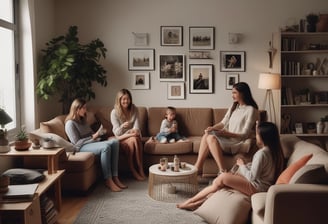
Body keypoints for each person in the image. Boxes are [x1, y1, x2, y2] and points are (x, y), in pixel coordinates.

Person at [177, 121, 285, 210]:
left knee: (221, 179)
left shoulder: (261, 154)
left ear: (263, 137)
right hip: (262, 186)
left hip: (257, 187)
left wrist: (242, 165)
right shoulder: (275, 151)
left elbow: (252, 177)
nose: (255, 136)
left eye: (257, 134)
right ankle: (197, 204)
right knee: (223, 183)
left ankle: (190, 201)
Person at [194, 82, 258, 175]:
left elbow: (244, 134)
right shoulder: (234, 107)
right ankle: (199, 167)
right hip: (228, 139)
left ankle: (222, 171)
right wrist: (212, 128)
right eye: (232, 93)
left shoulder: (251, 110)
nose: (232, 96)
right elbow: (223, 123)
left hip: (237, 141)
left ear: (243, 93)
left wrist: (225, 134)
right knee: (207, 134)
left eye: (235, 93)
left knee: (210, 138)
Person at [64, 98, 126, 192]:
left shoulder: (83, 121)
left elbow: (91, 134)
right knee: (105, 147)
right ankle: (108, 180)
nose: (86, 110)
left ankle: (115, 176)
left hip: (92, 143)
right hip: (80, 148)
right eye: (83, 108)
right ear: (77, 109)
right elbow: (76, 143)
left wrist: (99, 134)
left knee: (115, 142)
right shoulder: (70, 124)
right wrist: (94, 136)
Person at [111, 88, 146, 181]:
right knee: (134, 139)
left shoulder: (134, 109)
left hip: (134, 136)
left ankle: (139, 169)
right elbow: (117, 133)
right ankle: (136, 170)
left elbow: (137, 128)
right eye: (123, 99)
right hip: (122, 137)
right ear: (119, 100)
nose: (126, 101)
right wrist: (123, 127)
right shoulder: (114, 112)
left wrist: (133, 132)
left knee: (134, 139)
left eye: (128, 99)